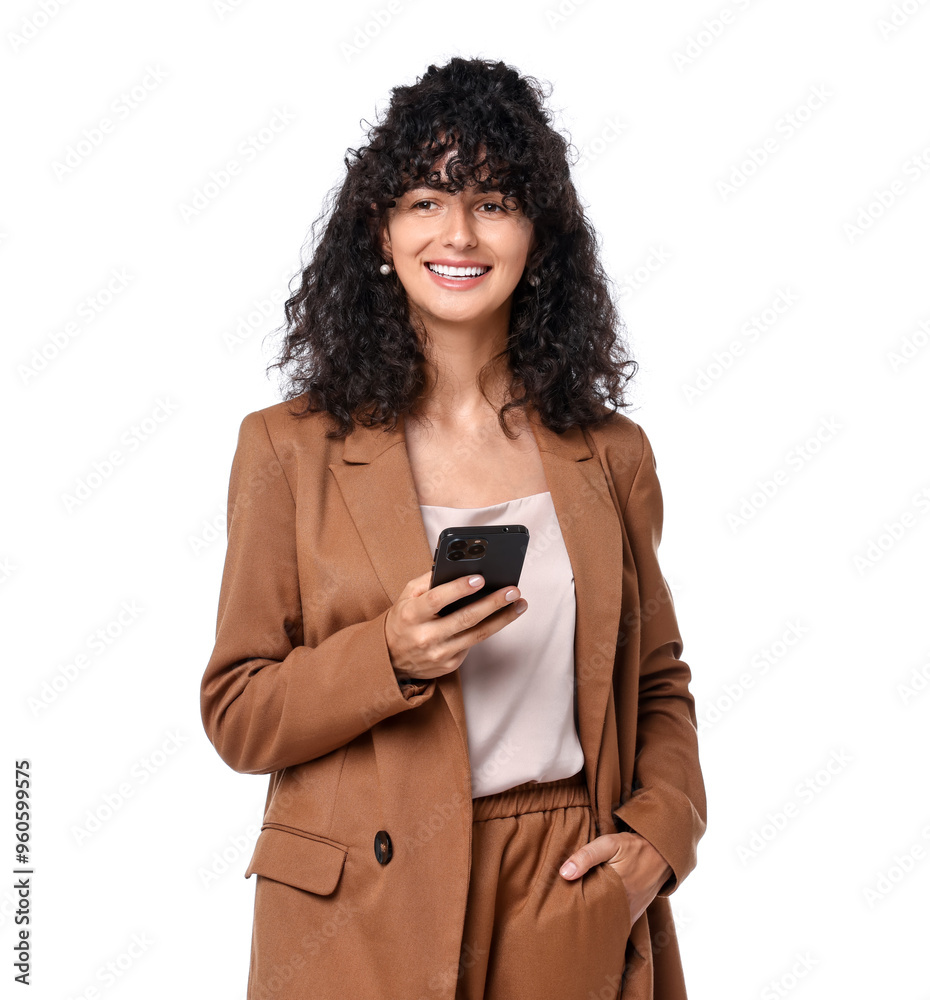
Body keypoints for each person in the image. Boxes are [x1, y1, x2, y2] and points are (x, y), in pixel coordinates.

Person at [200, 56, 706, 1000]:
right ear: (382, 233)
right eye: (427, 199)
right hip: (357, 912)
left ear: (537, 236)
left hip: (562, 885)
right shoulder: (285, 449)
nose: (459, 233)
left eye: (494, 200)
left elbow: (657, 682)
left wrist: (659, 840)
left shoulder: (611, 455)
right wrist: (387, 654)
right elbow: (237, 712)